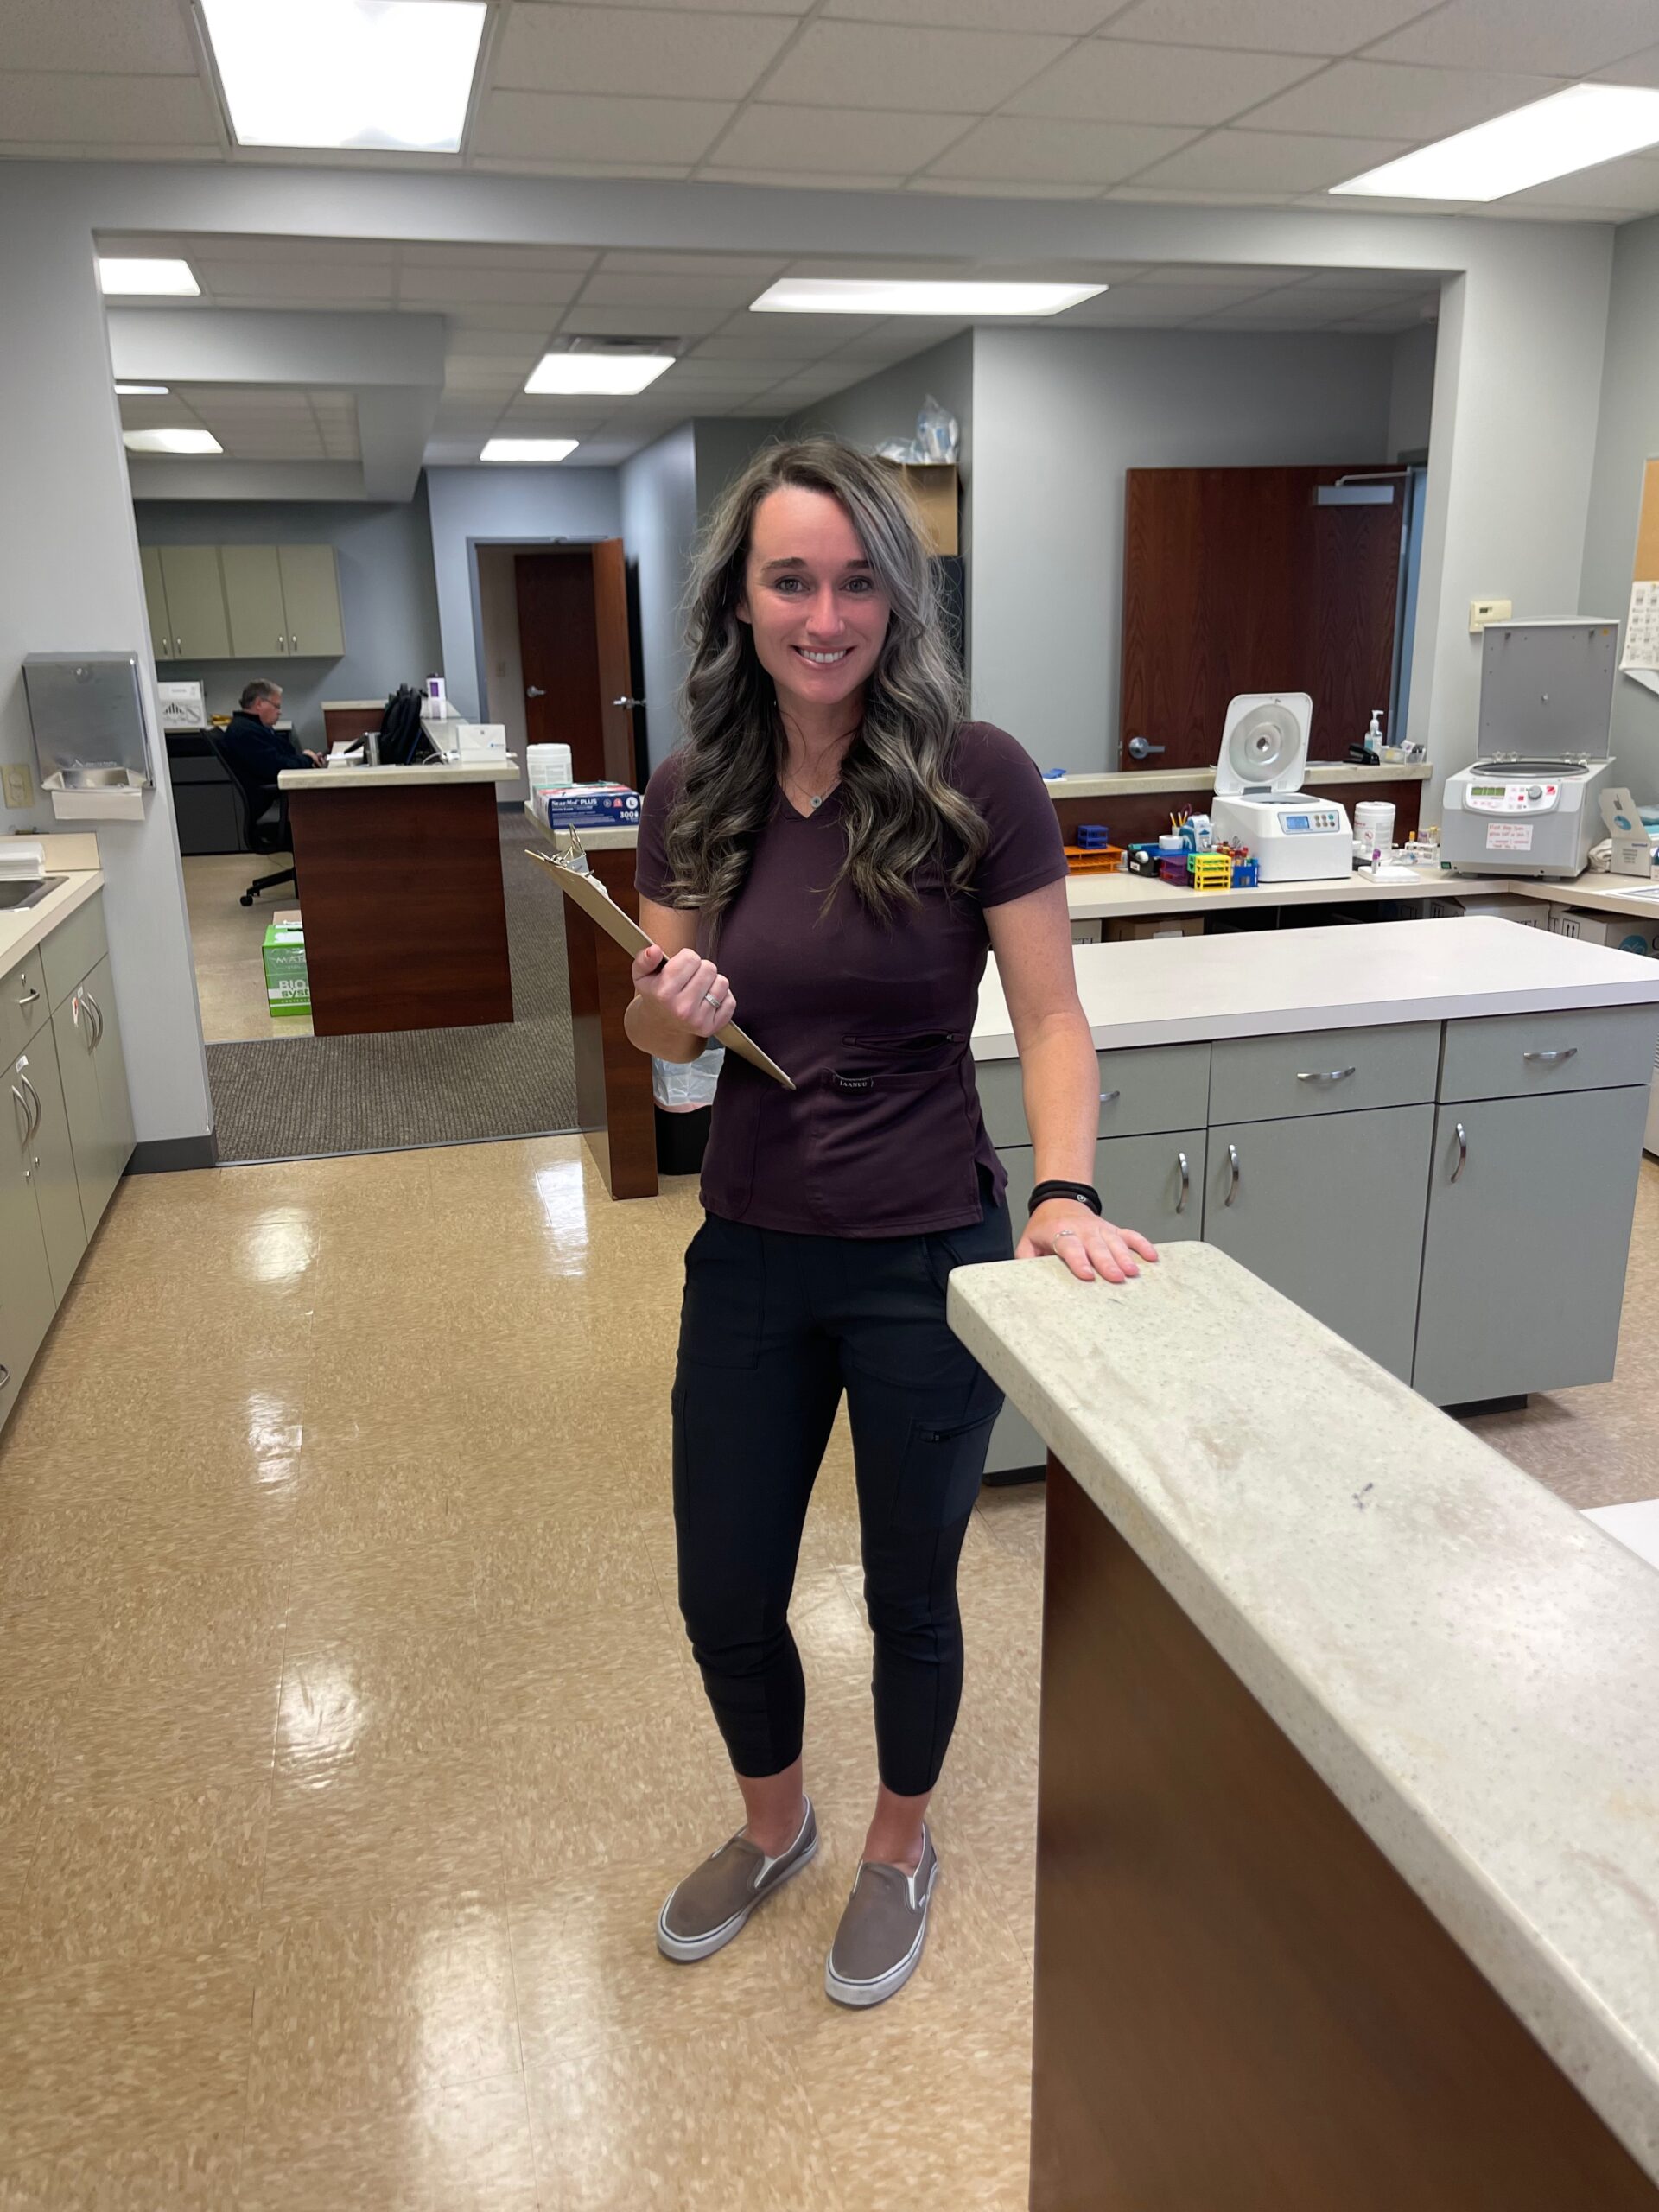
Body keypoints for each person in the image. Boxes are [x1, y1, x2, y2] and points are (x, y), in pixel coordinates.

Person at [628, 438, 1159, 2010]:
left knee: (910, 1588)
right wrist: (678, 1008)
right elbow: (663, 1055)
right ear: (742, 595)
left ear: (899, 598)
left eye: (861, 579)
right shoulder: (692, 793)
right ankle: (776, 1827)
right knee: (724, 1582)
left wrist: (1061, 1191)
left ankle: (899, 1846)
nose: (825, 612)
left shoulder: (972, 773)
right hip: (749, 1252)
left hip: (926, 1247)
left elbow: (1054, 1020)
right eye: (792, 578)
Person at [220, 680, 324, 779]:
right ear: (259, 704)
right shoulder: (246, 732)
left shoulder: (254, 727)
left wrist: (307, 758)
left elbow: (285, 755)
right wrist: (307, 759)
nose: (280, 712)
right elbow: (278, 767)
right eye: (277, 706)